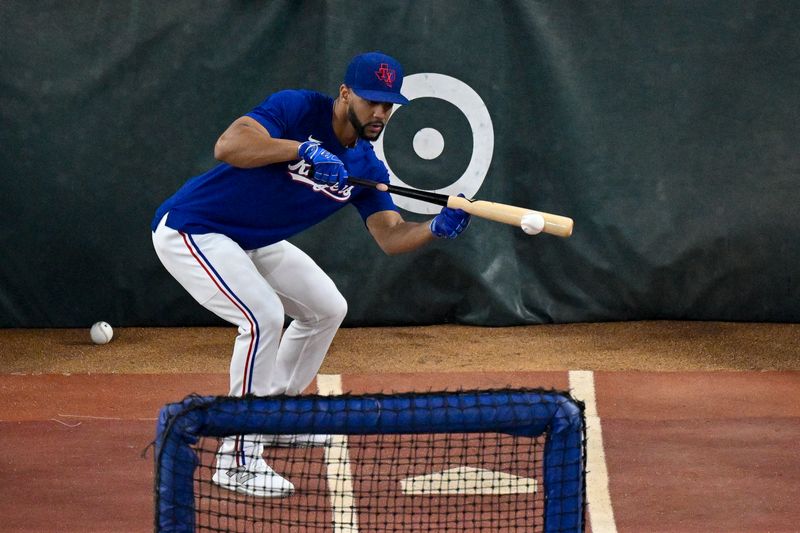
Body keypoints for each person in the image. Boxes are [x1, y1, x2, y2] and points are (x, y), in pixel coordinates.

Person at [150, 51, 471, 497]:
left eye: (388, 104)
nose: (381, 112)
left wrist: (432, 229)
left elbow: (390, 235)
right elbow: (229, 146)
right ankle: (238, 458)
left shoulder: (366, 166)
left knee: (326, 307)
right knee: (261, 316)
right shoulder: (297, 108)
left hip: (253, 239)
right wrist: (300, 148)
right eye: (371, 101)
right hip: (194, 227)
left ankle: (276, 415)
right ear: (345, 94)